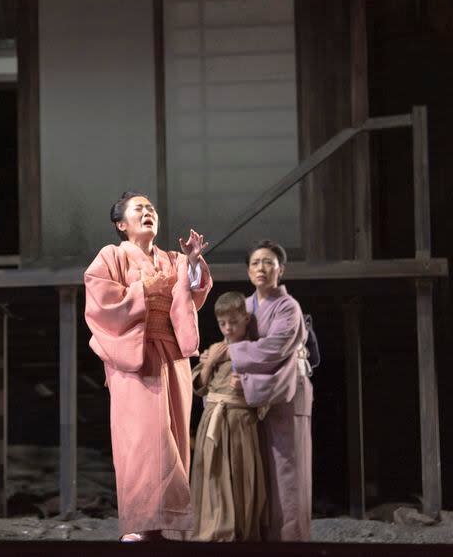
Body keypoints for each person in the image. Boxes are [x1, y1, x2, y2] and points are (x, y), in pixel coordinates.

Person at [84, 191, 213, 542]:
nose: (148, 213)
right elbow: (100, 301)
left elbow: (195, 294)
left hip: (171, 354)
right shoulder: (110, 257)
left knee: (173, 435)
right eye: (139, 209)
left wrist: (194, 261)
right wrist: (142, 290)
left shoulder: (173, 259)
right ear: (121, 224)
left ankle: (165, 524)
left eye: (151, 208)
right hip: (134, 358)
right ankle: (139, 522)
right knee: (143, 440)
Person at [226, 239, 313, 541]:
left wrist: (235, 357)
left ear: (281, 270)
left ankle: (292, 541)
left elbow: (274, 348)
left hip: (287, 390)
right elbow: (230, 337)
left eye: (268, 262)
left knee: (287, 469)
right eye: (255, 263)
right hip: (252, 394)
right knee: (257, 468)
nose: (261, 268)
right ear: (248, 272)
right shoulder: (245, 306)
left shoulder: (288, 307)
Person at [190, 291, 267, 542]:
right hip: (213, 419)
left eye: (233, 322)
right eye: (222, 323)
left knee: (240, 475)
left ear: (245, 319)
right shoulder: (216, 348)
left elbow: (266, 389)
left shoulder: (255, 350)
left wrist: (245, 384)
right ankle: (213, 528)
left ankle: (240, 531)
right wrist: (211, 362)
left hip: (240, 423)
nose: (227, 328)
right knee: (212, 473)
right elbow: (200, 384)